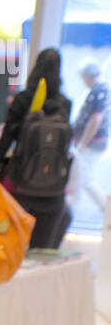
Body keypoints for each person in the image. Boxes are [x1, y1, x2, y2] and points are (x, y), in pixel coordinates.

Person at [0, 47, 72, 248]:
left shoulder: (24, 99)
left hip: (19, 186)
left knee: (11, 251)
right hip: (54, 190)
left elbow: (6, 140)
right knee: (43, 255)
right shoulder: (65, 104)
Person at [70, 59, 110, 218]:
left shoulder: (99, 91)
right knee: (82, 178)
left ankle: (106, 210)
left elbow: (96, 119)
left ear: (88, 76)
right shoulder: (101, 89)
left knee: (83, 178)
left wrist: (82, 144)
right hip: (92, 142)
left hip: (91, 143)